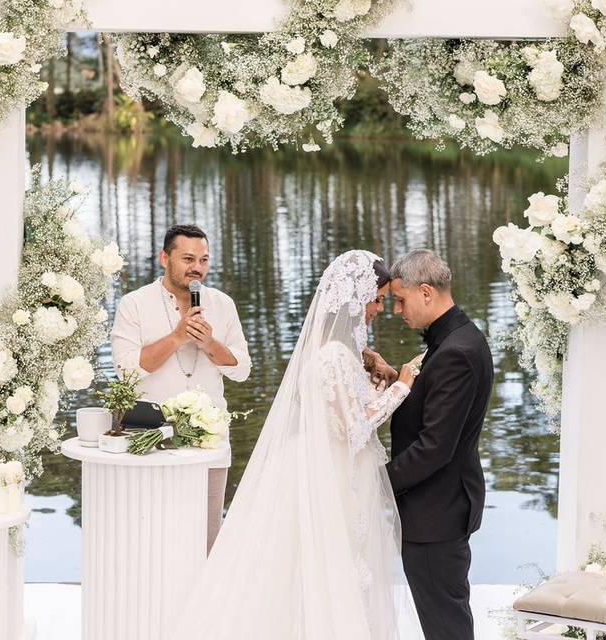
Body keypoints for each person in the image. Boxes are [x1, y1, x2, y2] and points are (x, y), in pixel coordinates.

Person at [170, 250, 425, 639]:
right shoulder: (334, 356)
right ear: (356, 299)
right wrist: (403, 385)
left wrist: (376, 372)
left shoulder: (340, 351)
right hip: (329, 472)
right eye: (376, 299)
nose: (379, 309)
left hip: (331, 465)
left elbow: (345, 408)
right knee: (323, 566)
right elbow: (354, 428)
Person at [111, 224, 251, 552]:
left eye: (203, 259)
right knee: (152, 540)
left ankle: (203, 603)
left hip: (210, 444)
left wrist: (210, 344)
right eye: (188, 258)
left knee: (206, 541)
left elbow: (242, 370)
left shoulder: (223, 304)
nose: (197, 267)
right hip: (150, 441)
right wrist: (176, 338)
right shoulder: (134, 304)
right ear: (164, 258)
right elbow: (126, 371)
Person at [386, 249, 495, 640]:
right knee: (445, 621)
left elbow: (434, 446)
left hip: (435, 511)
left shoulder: (456, 353)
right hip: (438, 506)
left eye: (400, 299)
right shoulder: (454, 338)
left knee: (445, 627)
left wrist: (377, 483)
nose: (397, 310)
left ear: (426, 292)